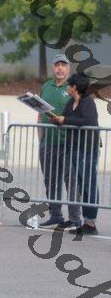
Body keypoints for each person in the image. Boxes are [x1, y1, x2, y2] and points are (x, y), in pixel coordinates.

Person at [49, 73, 100, 235]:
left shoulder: (87, 102)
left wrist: (65, 120)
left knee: (88, 184)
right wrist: (56, 120)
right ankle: (86, 221)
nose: (67, 87)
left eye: (69, 85)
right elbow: (65, 118)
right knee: (81, 184)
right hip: (74, 148)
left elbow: (88, 121)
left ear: (75, 87)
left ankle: (90, 222)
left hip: (87, 149)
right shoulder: (71, 102)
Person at [38, 53, 81, 230]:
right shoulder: (46, 86)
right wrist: (41, 140)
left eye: (63, 65)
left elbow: (80, 112)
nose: (60, 68)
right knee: (51, 180)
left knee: (71, 181)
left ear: (68, 67)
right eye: (57, 65)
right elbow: (40, 114)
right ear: (53, 67)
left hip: (69, 144)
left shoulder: (73, 88)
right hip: (49, 143)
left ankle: (75, 218)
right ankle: (55, 215)